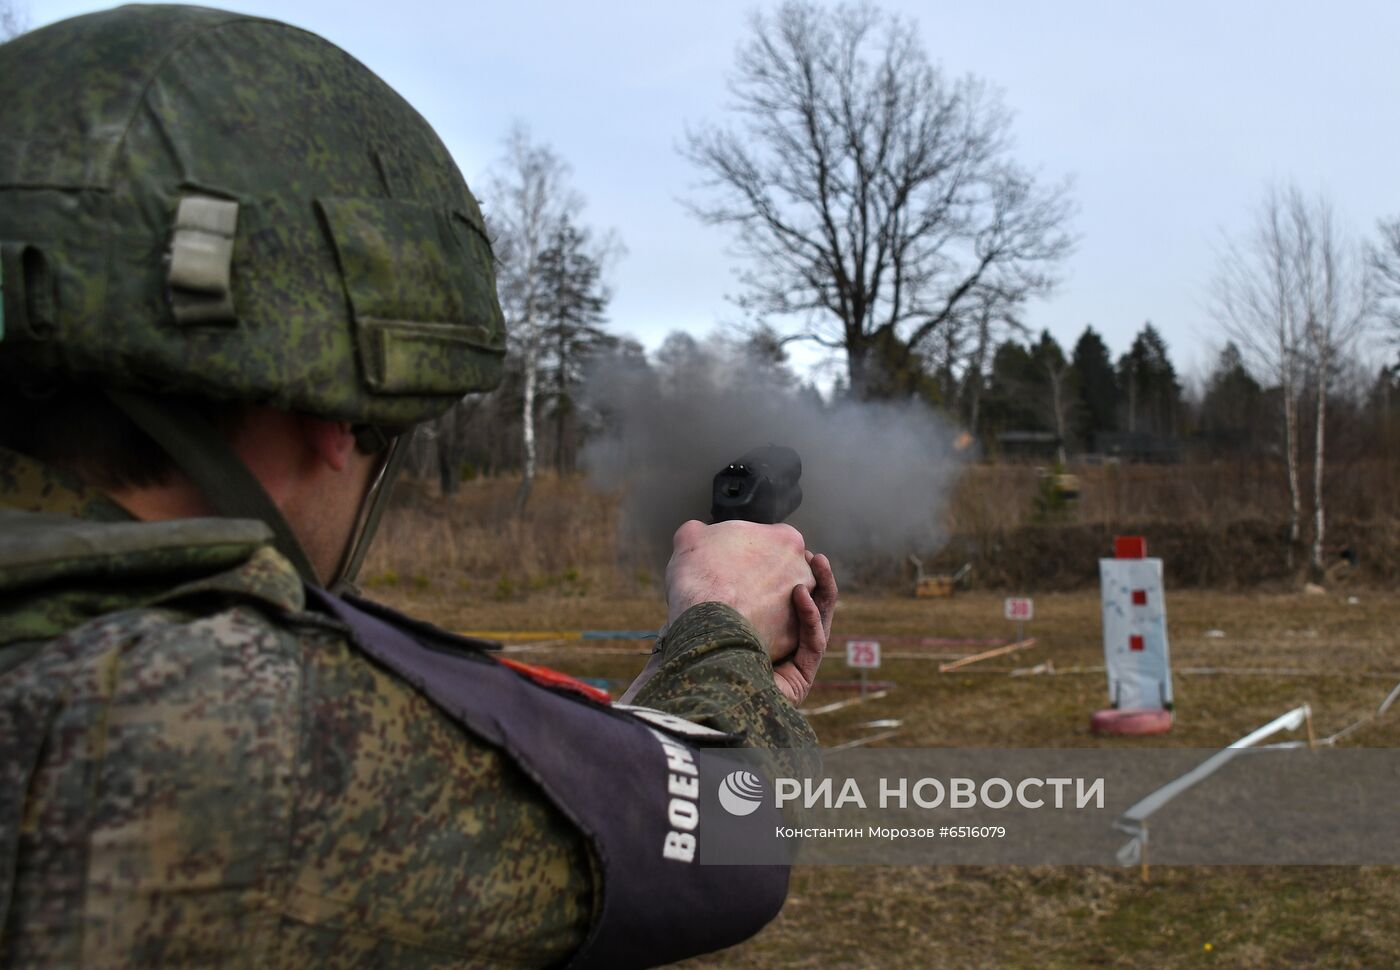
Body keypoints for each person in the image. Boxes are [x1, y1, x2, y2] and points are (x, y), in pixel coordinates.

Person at [0, 6, 836, 968]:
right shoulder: (197, 714)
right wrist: (721, 624)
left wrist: (663, 699)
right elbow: (727, 839)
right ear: (328, 414)